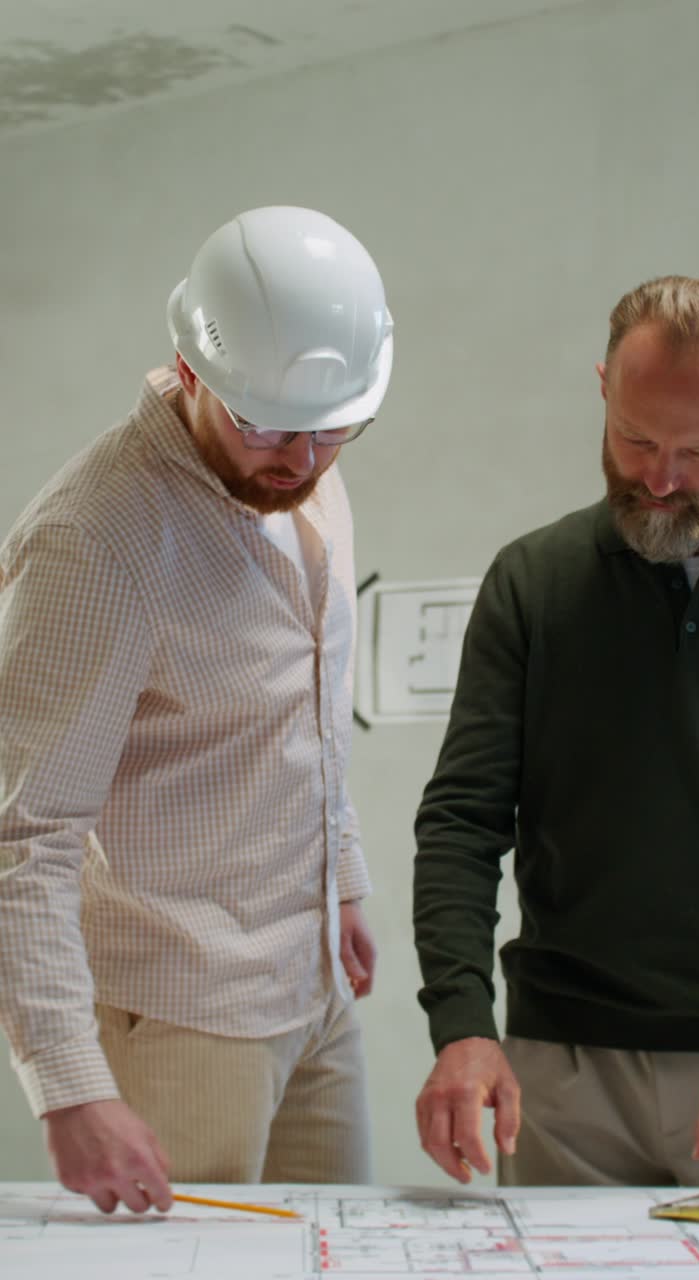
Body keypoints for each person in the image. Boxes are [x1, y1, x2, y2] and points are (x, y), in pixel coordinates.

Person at [0, 205, 394, 1214]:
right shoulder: (95, 542)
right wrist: (69, 1084)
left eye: (329, 428)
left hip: (312, 988)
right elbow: (23, 836)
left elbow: (298, 707)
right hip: (180, 1017)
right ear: (188, 367)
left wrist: (338, 870)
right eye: (263, 423)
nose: (298, 460)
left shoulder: (306, 471)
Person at [413, 274, 699, 1196]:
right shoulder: (532, 584)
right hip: (561, 1073)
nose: (660, 479)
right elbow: (464, 821)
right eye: (634, 440)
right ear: (601, 388)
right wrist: (463, 1025)